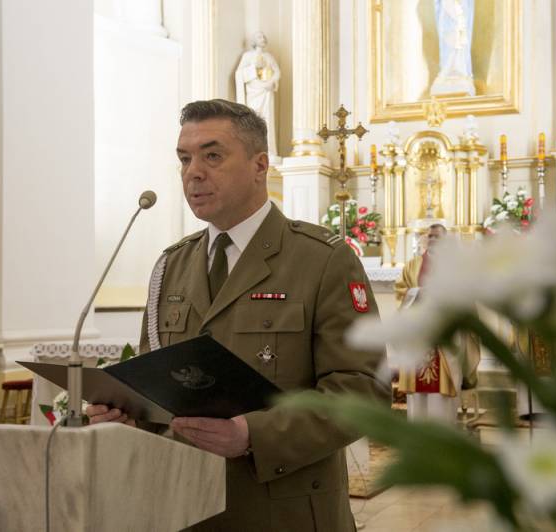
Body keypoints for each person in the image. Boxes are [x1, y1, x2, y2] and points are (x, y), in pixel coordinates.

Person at [87, 99, 389, 531]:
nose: (193, 172)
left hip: (282, 512)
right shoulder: (171, 265)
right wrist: (128, 414)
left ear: (260, 165)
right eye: (184, 158)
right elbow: (153, 386)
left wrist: (253, 435)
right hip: (185, 506)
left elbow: (363, 392)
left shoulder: (322, 260)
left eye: (212, 156)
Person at [394, 224, 479, 423]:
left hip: (447, 333)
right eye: (430, 236)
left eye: (438, 237)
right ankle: (418, 433)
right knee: (418, 391)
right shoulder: (412, 266)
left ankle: (444, 432)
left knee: (443, 392)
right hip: (418, 333)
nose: (433, 240)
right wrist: (417, 293)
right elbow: (401, 292)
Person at [234, 31, 281, 159]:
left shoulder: (269, 57)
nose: (263, 38)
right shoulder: (248, 56)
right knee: (253, 118)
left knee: (267, 119)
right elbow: (239, 73)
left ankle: (269, 150)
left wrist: (271, 82)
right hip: (253, 91)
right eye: (260, 37)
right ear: (254, 41)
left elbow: (277, 72)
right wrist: (253, 69)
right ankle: (252, 150)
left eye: (264, 36)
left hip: (266, 91)